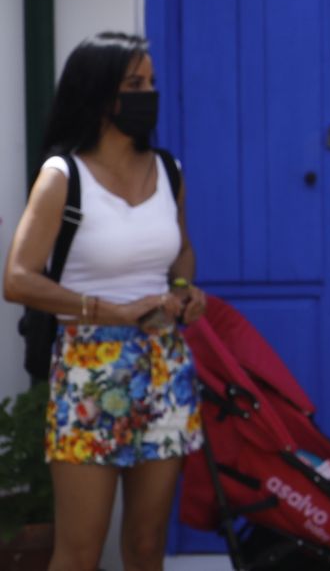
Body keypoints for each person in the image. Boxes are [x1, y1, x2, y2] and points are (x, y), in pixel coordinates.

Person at [3, 32, 206, 571]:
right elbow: (18, 279)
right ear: (97, 96)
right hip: (88, 369)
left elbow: (181, 250)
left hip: (163, 366)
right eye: (133, 85)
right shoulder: (61, 177)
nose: (148, 94)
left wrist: (184, 293)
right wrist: (106, 310)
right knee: (80, 551)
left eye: (152, 83)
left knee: (145, 546)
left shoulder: (168, 170)